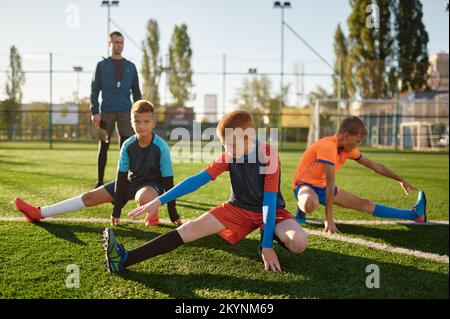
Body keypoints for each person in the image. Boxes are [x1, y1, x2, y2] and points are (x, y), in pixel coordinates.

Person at [102, 110, 308, 273]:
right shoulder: (229, 155)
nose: (228, 150)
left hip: (270, 210)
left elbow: (269, 202)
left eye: (232, 145)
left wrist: (266, 246)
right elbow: (197, 180)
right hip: (239, 208)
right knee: (189, 229)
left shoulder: (268, 154)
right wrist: (160, 201)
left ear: (249, 137)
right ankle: (124, 259)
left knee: (298, 243)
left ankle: (268, 233)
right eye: (224, 145)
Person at [14, 100, 181, 227]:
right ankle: (39, 212)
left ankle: (152, 213)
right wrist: (117, 210)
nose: (141, 126)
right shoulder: (128, 145)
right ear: (131, 122)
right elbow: (121, 178)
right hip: (131, 182)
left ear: (153, 123)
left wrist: (173, 213)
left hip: (152, 186)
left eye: (146, 121)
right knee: (89, 196)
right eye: (137, 121)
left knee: (144, 197)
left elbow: (168, 181)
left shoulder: (161, 147)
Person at [292, 116, 427, 234]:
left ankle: (414, 215)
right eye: (357, 141)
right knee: (310, 203)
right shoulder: (328, 146)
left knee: (366, 204)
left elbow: (374, 165)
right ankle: (301, 211)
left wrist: (400, 179)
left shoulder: (347, 149)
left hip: (322, 187)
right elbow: (330, 182)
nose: (358, 144)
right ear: (346, 136)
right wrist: (329, 219)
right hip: (304, 185)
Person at [90, 31, 142, 188]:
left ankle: (124, 181)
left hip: (126, 112)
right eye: (116, 42)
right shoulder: (101, 65)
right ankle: (99, 181)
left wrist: (139, 112)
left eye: (121, 42)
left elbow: (136, 92)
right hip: (106, 112)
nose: (119, 45)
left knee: (125, 147)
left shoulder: (131, 67)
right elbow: (94, 90)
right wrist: (95, 112)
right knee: (103, 146)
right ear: (109, 43)